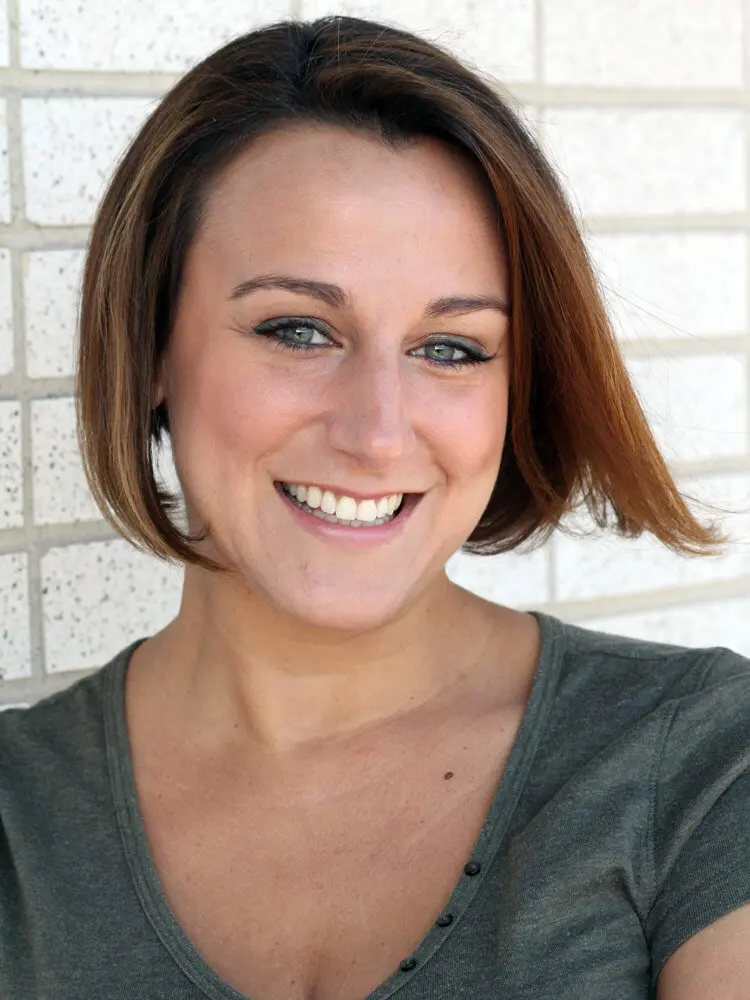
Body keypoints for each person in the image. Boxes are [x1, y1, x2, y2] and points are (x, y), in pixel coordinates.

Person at [1, 14, 749, 1000]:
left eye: (452, 348)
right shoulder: (18, 814)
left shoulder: (698, 758)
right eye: (299, 329)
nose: (379, 432)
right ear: (147, 349)